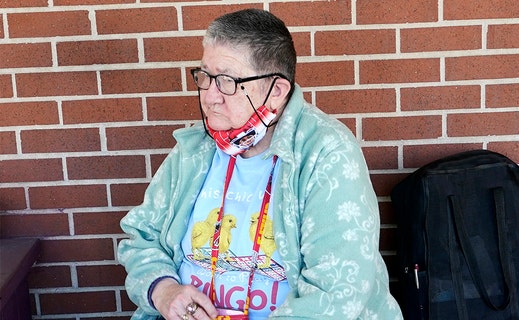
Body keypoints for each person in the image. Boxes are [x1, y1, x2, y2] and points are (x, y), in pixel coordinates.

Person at [117, 8, 402, 320]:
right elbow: (141, 236)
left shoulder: (326, 152)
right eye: (205, 77)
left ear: (276, 91)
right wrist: (163, 290)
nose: (209, 96)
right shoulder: (196, 149)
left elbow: (335, 293)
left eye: (226, 81)